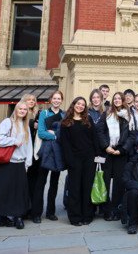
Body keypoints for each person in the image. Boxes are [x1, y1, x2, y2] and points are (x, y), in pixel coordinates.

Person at [0, 101, 33, 230]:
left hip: (20, 163)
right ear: (15, 110)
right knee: (3, 190)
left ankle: (18, 217)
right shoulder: (7, 122)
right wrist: (14, 141)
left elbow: (29, 145)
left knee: (19, 192)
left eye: (25, 109)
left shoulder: (25, 125)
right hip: (6, 162)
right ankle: (2, 217)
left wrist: (28, 162)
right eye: (20, 108)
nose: (22, 111)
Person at [59, 97, 97, 226]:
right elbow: (65, 143)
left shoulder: (88, 120)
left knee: (87, 186)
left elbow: (94, 138)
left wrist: (97, 156)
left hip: (89, 158)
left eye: (83, 105)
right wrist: (70, 161)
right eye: (78, 104)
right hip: (74, 159)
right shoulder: (66, 122)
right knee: (74, 188)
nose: (80, 106)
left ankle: (87, 215)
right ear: (73, 104)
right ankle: (75, 217)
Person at [95, 92, 132, 221]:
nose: (117, 101)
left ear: (123, 101)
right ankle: (106, 210)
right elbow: (99, 131)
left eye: (119, 99)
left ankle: (116, 209)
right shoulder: (106, 114)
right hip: (107, 152)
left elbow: (132, 136)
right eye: (115, 99)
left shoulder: (128, 116)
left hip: (120, 153)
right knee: (105, 181)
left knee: (119, 183)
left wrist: (122, 150)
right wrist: (106, 146)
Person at [31, 90, 64, 223]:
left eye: (59, 98)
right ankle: (36, 213)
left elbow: (64, 134)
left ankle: (51, 211)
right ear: (51, 100)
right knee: (41, 182)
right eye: (54, 98)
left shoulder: (64, 114)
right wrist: (55, 135)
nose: (56, 100)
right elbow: (41, 133)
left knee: (54, 184)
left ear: (61, 100)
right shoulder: (44, 113)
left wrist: (55, 134)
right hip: (45, 151)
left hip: (58, 152)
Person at [20, 93, 39, 220]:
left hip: (35, 152)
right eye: (29, 100)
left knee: (34, 183)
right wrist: (33, 125)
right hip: (22, 152)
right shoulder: (19, 113)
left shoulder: (38, 113)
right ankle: (22, 210)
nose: (31, 102)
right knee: (22, 183)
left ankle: (33, 210)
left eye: (33, 100)